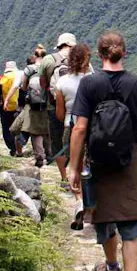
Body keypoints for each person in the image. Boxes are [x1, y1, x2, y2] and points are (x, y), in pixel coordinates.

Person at [68, 30, 137, 271]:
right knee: (131, 228)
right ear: (124, 53)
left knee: (106, 219)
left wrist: (73, 167)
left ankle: (112, 269)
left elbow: (80, 128)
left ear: (99, 55)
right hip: (130, 161)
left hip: (98, 162)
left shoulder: (89, 84)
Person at [42, 33, 93, 182]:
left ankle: (65, 177)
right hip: (87, 119)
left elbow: (43, 83)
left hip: (59, 111)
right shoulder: (87, 66)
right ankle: (85, 179)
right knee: (84, 151)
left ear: (60, 45)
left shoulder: (48, 60)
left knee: (58, 144)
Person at [55, 43, 92, 228]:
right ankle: (91, 204)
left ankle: (79, 200)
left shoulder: (61, 83)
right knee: (90, 164)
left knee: (74, 166)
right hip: (93, 127)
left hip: (70, 127)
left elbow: (60, 114)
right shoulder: (93, 80)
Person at [19, 54, 52, 167]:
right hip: (47, 104)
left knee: (35, 132)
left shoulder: (29, 70)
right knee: (47, 131)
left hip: (34, 105)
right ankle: (50, 155)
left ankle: (39, 158)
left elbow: (23, 87)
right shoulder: (49, 67)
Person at [0, 61, 24, 156]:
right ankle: (20, 146)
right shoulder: (20, 76)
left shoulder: (0, 79)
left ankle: (12, 148)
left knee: (6, 127)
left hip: (4, 107)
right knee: (18, 127)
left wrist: (0, 103)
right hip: (18, 106)